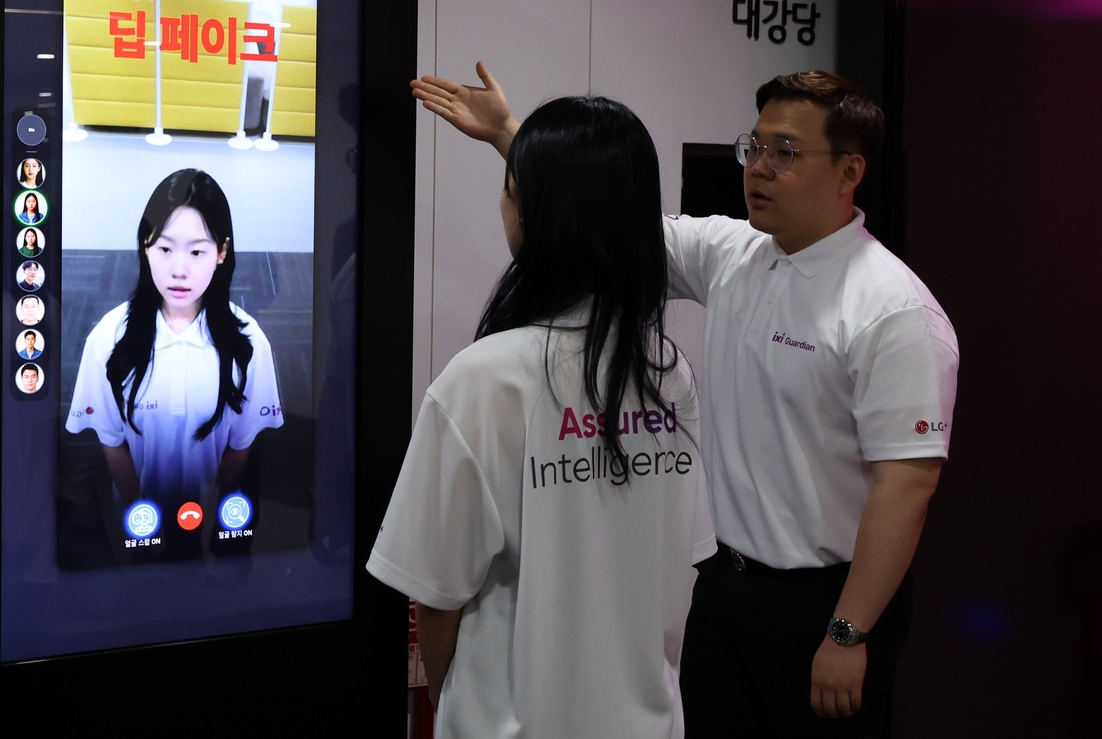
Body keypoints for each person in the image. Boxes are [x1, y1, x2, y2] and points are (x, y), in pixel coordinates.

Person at [411, 64, 958, 738]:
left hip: (826, 600)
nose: (759, 168)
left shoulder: (893, 310)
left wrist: (848, 631)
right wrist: (511, 136)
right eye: (754, 147)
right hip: (723, 586)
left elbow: (907, 486)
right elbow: (603, 214)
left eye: (786, 152)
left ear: (849, 171)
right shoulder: (737, 253)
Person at [368, 97, 715, 738]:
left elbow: (436, 598)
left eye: (510, 189)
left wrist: (455, 707)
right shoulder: (668, 371)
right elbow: (682, 559)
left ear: (528, 211)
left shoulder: (481, 380)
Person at [65, 169, 282, 514]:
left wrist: (210, 519)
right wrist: (141, 514)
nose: (179, 270)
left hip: (212, 519)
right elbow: (112, 441)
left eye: (196, 252)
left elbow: (240, 447)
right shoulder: (108, 337)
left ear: (221, 251)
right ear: (145, 246)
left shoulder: (250, 342)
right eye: (165, 248)